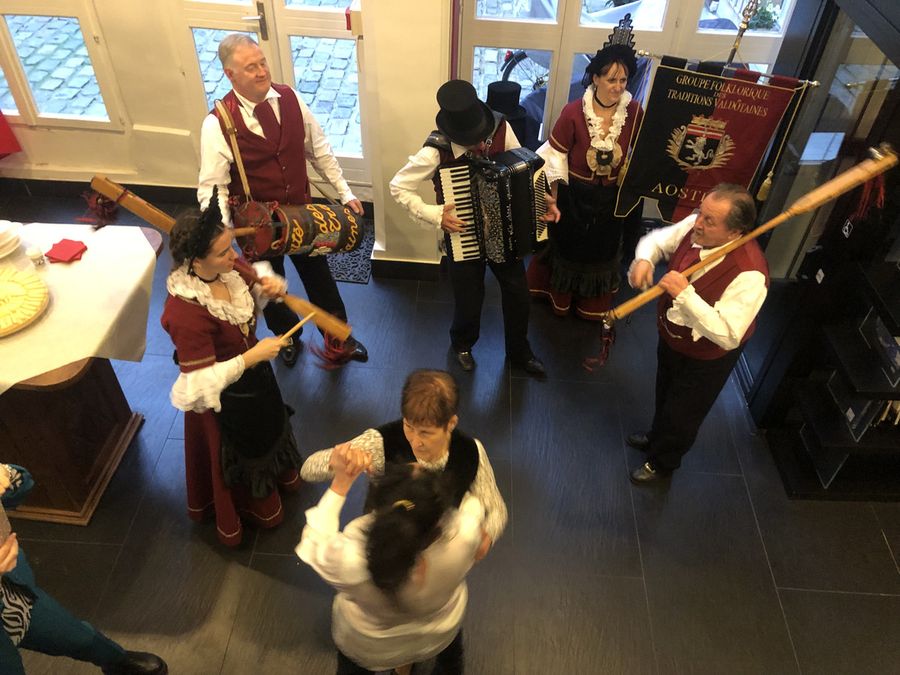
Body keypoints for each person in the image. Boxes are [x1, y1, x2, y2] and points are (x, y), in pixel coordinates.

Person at [198, 33, 367, 367]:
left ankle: (338, 339)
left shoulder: (290, 99)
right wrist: (221, 237)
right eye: (251, 67)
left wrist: (345, 192)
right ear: (230, 74)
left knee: (319, 276)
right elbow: (212, 188)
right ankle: (286, 338)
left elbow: (319, 149)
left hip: (302, 215)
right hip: (256, 226)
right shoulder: (218, 122)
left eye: (262, 63)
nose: (262, 72)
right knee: (269, 288)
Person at [160, 193, 304, 545]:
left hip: (255, 381)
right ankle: (248, 511)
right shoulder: (185, 312)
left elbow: (248, 297)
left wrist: (267, 287)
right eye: (224, 252)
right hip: (224, 399)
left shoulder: (229, 268)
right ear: (196, 260)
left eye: (231, 247)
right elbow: (199, 383)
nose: (234, 256)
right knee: (242, 450)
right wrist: (254, 356)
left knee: (268, 431)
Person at [390, 79, 559, 377]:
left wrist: (543, 201)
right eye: (473, 140)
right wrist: (434, 214)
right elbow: (399, 187)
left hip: (504, 232)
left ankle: (519, 351)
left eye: (481, 136)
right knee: (469, 295)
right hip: (462, 230)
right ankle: (462, 345)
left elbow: (526, 166)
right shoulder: (435, 150)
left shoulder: (500, 128)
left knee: (517, 291)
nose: (482, 143)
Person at [625, 184, 768, 484]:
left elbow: (727, 334)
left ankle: (663, 461)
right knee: (664, 392)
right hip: (672, 337)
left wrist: (685, 295)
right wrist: (644, 259)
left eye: (708, 220)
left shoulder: (750, 273)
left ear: (734, 232)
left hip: (707, 356)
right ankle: (656, 436)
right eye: (701, 214)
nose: (697, 223)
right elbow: (659, 241)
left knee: (684, 413)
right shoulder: (697, 226)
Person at [297, 455, 486, 674]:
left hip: (370, 646)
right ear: (438, 519)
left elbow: (313, 543)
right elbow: (475, 504)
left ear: (378, 506)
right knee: (451, 660)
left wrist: (341, 484)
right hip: (438, 631)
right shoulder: (465, 533)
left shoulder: (351, 559)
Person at [301, 369, 507, 545]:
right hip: (384, 546)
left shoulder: (471, 451)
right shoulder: (382, 441)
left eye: (426, 433)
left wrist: (486, 537)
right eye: (409, 427)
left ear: (451, 424)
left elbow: (496, 509)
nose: (415, 441)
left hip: (437, 545)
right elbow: (308, 470)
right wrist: (336, 463)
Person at [527, 15, 643, 324]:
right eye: (611, 80)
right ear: (595, 78)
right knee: (569, 247)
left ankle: (590, 304)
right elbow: (555, 158)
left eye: (623, 80)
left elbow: (643, 151)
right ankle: (561, 298)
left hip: (611, 201)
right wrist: (551, 200)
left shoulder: (635, 112)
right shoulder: (573, 112)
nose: (618, 87)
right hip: (574, 196)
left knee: (601, 252)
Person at [0, 463, 167, 675]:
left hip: (14, 595)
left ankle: (116, 661)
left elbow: (23, 485)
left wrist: (7, 474)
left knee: (81, 637)